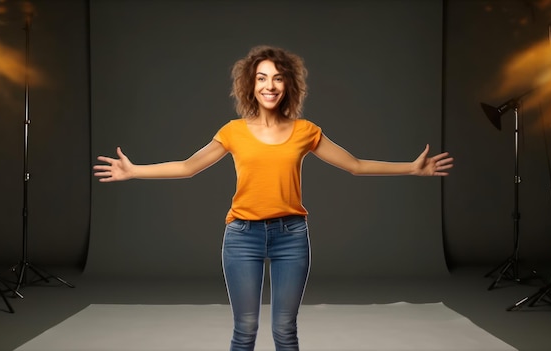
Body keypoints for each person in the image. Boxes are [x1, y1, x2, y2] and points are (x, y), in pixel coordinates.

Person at [93, 45, 454, 351]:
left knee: (284, 331)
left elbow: (356, 165)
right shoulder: (233, 131)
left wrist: (411, 168)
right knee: (245, 330)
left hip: (291, 236)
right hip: (242, 237)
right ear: (251, 84)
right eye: (262, 77)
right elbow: (189, 167)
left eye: (278, 77)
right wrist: (134, 170)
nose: (270, 85)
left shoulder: (305, 131)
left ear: (288, 85)